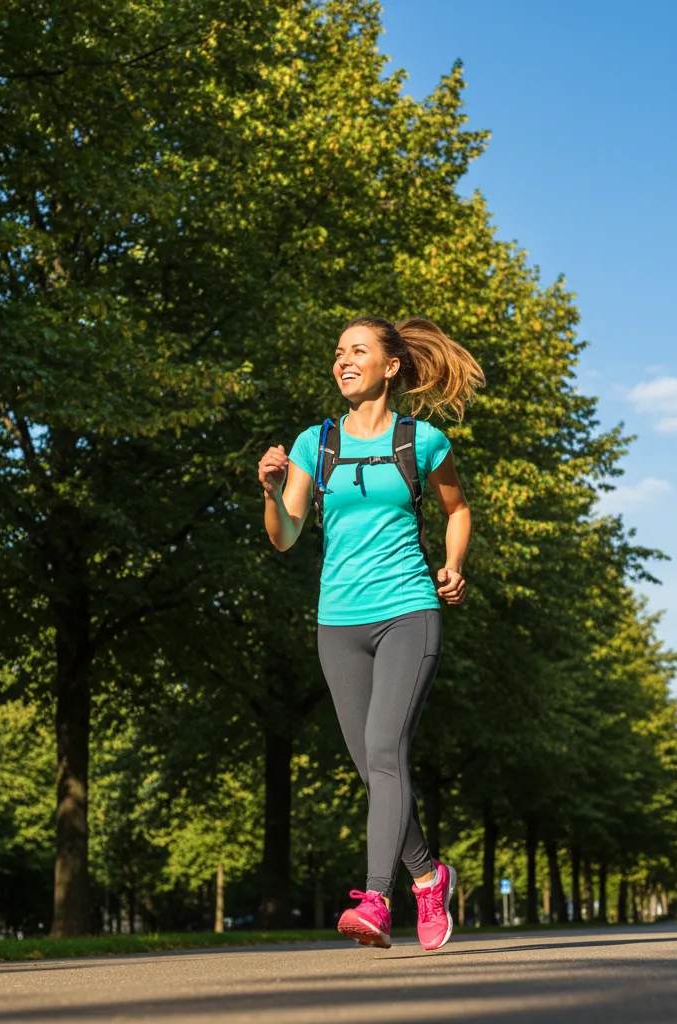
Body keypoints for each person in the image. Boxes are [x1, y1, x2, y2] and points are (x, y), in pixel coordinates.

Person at [258, 315, 484, 951]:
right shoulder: (315, 444)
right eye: (337, 352)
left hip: (408, 610)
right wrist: (272, 493)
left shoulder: (423, 441)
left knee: (385, 748)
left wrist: (454, 564)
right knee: (373, 765)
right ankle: (428, 875)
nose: (342, 360)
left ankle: (376, 900)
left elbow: (457, 509)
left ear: (390, 366)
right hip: (338, 622)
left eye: (357, 351)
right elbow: (287, 537)